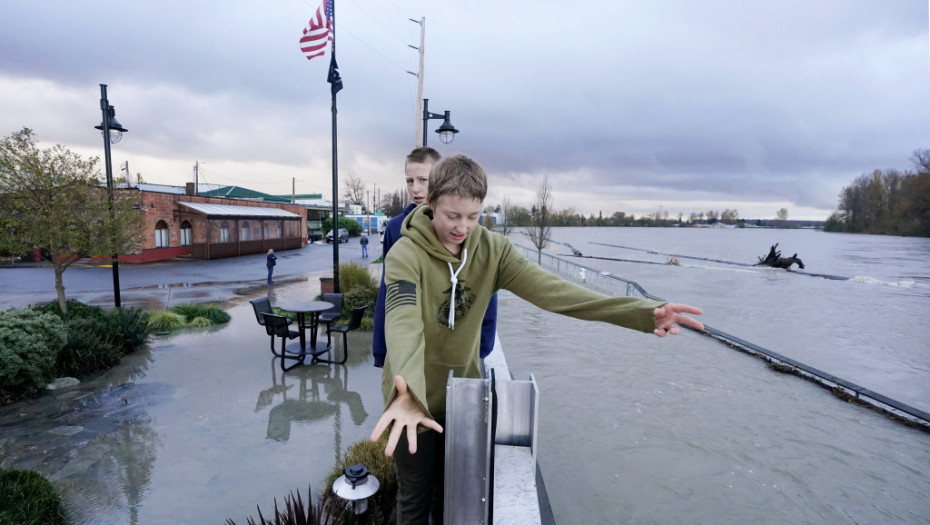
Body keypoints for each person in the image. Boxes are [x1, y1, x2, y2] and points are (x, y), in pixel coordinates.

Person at [369, 155, 704, 525]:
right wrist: (407, 393)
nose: (463, 227)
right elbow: (402, 323)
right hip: (408, 399)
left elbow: (554, 292)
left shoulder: (494, 252)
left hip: (460, 395)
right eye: (453, 216)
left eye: (473, 216)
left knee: (448, 497)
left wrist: (641, 312)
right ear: (431, 204)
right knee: (414, 499)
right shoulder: (404, 253)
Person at [372, 147, 499, 369]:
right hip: (412, 345)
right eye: (410, 181)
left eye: (424, 179)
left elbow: (484, 288)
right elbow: (388, 289)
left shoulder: (464, 228)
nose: (416, 188)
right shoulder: (395, 228)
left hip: (455, 346)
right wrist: (381, 351)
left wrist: (482, 347)